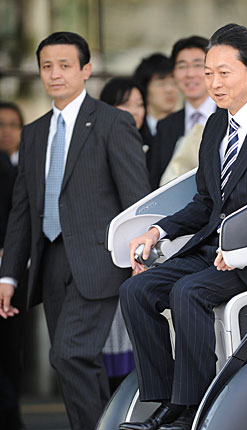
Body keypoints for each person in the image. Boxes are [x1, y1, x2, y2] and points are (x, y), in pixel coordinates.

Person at [119, 23, 247, 430]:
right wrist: (157, 232)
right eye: (208, 73)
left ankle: (193, 407)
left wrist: (241, 249)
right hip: (214, 252)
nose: (213, 82)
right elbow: (206, 202)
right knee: (135, 291)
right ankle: (167, 398)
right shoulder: (214, 127)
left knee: (188, 293)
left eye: (224, 72)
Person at [0, 32, 149, 430]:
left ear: (86, 70)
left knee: (71, 354)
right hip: (50, 264)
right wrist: (9, 274)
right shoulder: (35, 132)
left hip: (100, 262)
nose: (55, 74)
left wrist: (140, 255)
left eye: (65, 65)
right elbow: (23, 211)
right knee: (68, 360)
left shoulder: (111, 123)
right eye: (46, 66)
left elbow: (135, 199)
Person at [99, 77, 147, 392]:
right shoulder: (103, 145)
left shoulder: (157, 141)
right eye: (124, 103)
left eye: (138, 104)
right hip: (117, 256)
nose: (133, 111)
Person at [148, 35, 216, 190]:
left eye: (198, 65)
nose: (190, 74)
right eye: (182, 66)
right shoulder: (165, 127)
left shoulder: (231, 116)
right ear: (174, 73)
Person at [0, 102, 25, 430]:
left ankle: (11, 413)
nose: (6, 131)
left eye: (13, 124)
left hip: (19, 267)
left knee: (12, 345)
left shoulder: (31, 166)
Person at [133, 53, 178, 151]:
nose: (169, 89)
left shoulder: (186, 127)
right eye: (161, 83)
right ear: (144, 88)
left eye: (174, 82)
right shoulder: (134, 130)